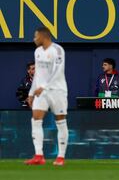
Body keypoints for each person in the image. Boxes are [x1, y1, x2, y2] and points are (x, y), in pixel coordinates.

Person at [25, 27, 68, 166]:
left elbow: (58, 71)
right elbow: (37, 74)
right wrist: (31, 93)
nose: (34, 39)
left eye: (35, 36)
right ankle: (39, 155)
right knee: (36, 119)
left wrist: (44, 87)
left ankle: (60, 156)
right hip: (41, 92)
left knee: (60, 122)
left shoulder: (58, 50)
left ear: (44, 36)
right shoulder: (37, 51)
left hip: (57, 91)